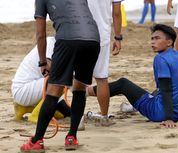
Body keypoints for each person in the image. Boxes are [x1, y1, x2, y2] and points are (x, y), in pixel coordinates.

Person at [88, 24, 178, 128]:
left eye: (157, 38)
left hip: (159, 113)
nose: (153, 42)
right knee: (158, 89)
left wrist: (168, 118)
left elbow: (166, 90)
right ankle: (131, 107)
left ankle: (87, 91)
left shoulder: (160, 59)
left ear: (169, 42)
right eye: (152, 39)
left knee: (123, 83)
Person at [20, 0, 100, 152]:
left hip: (68, 39)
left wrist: (43, 62)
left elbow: (41, 34)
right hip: (93, 40)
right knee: (79, 88)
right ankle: (72, 137)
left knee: (53, 91)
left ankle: (37, 141)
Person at [11, 37, 70, 121]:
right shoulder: (50, 42)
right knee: (60, 80)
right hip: (23, 90)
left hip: (32, 88)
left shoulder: (62, 47)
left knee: (66, 113)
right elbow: (53, 71)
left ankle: (24, 108)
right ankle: (36, 115)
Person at [87, 0, 122, 125]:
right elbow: (116, 13)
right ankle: (104, 117)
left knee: (79, 79)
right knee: (101, 78)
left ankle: (78, 119)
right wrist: (118, 37)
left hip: (80, 31)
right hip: (102, 34)